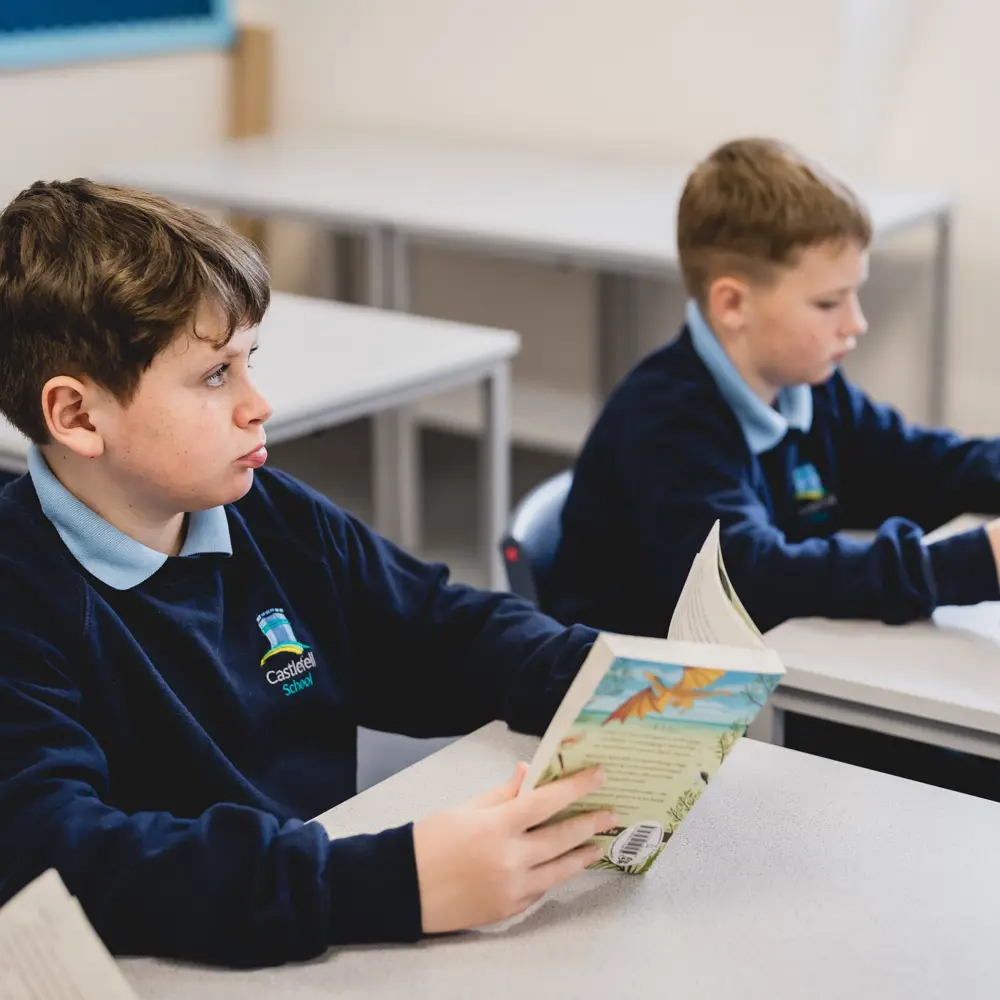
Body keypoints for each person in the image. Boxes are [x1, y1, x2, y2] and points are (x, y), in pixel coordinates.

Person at [0, 179, 616, 967]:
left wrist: (608, 677)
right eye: (216, 374)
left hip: (318, 934)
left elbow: (437, 628)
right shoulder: (20, 596)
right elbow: (71, 862)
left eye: (249, 362)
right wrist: (396, 882)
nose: (259, 404)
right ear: (79, 417)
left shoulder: (271, 515)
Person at [548, 137, 1000, 639]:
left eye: (855, 295)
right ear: (733, 305)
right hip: (662, 699)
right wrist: (976, 562)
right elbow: (753, 579)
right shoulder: (664, 422)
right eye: (829, 303)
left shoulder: (807, 386)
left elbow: (920, 467)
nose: (856, 322)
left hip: (761, 667)